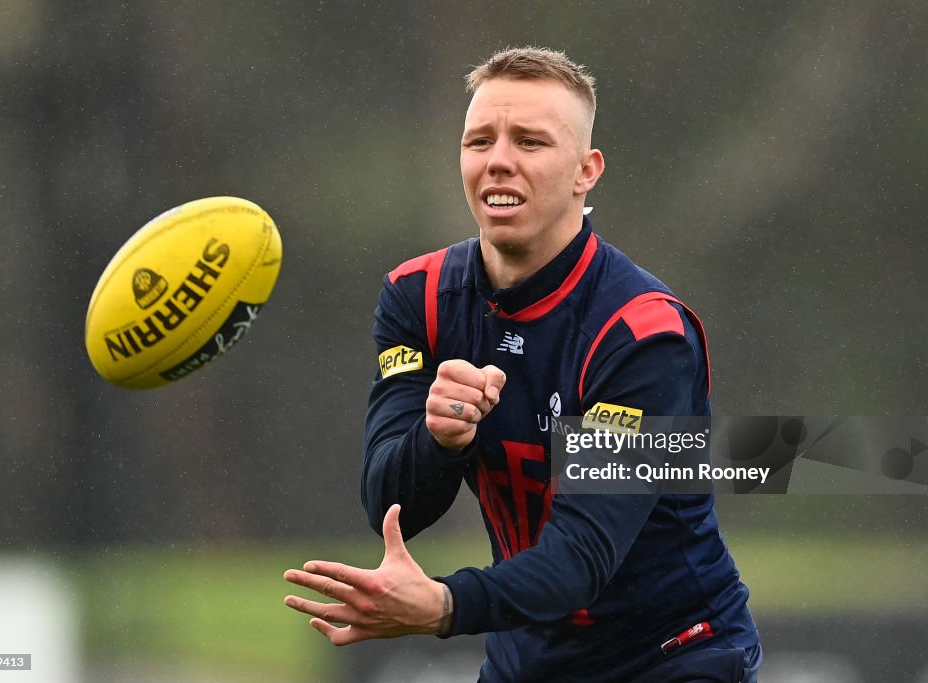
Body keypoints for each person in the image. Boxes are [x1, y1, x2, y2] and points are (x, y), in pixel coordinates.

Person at [284, 46, 762, 683]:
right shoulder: (416, 298)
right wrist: (438, 441)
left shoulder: (645, 335)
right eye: (479, 140)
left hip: (674, 657)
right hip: (526, 662)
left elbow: (582, 558)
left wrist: (444, 606)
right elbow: (390, 503)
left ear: (585, 171)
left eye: (531, 141)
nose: (499, 160)